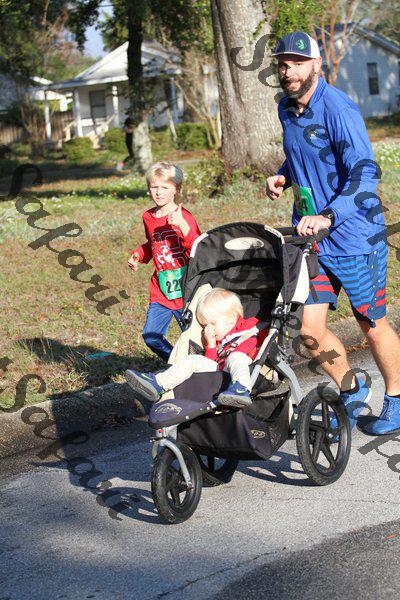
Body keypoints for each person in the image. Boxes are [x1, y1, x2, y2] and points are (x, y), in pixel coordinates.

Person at [265, 31, 400, 435]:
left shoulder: (339, 109)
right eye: (283, 64)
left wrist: (328, 214)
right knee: (309, 331)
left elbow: (364, 173)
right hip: (314, 241)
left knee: (371, 323)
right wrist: (284, 175)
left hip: (356, 237)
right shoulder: (286, 108)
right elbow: (300, 153)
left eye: (297, 63)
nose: (289, 71)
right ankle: (352, 388)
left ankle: (397, 399)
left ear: (316, 65)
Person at [125, 288, 269, 407]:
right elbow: (210, 363)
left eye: (213, 323)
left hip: (248, 368)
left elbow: (266, 337)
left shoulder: (252, 326)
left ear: (231, 318)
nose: (208, 329)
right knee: (192, 360)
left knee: (236, 357)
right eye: (205, 325)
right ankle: (158, 383)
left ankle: (241, 390)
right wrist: (211, 345)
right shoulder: (219, 342)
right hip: (221, 371)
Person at [128, 161, 201, 362]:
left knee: (195, 340)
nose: (159, 192)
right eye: (154, 187)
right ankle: (176, 365)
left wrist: (183, 227)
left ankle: (205, 370)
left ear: (176, 189)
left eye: (165, 187)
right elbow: (152, 243)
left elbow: (199, 248)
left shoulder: (184, 217)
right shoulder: (148, 217)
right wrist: (139, 254)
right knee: (151, 336)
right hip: (161, 290)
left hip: (186, 289)